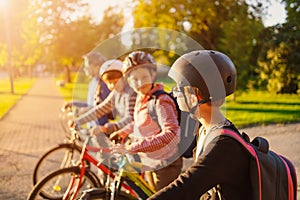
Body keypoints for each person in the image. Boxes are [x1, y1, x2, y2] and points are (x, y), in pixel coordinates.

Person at [148, 50, 252, 200]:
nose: (174, 92)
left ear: (195, 96)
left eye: (178, 87)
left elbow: (185, 188)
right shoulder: (205, 129)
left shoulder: (222, 145)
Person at [109, 51, 183, 191]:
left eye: (144, 77)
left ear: (153, 75)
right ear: (129, 82)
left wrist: (133, 148)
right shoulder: (141, 97)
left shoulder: (160, 101)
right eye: (134, 79)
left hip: (166, 165)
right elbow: (139, 122)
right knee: (149, 193)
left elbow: (172, 133)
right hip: (150, 162)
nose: (140, 82)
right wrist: (123, 132)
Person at [73, 59, 137, 136]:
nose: (113, 86)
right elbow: (100, 110)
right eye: (109, 83)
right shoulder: (115, 93)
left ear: (124, 77)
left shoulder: (131, 93)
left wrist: (112, 126)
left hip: (136, 135)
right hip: (125, 134)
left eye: (116, 81)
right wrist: (78, 121)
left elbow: (130, 118)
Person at [64, 52, 111, 127]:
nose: (85, 68)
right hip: (91, 126)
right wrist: (73, 103)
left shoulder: (103, 84)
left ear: (96, 66)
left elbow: (105, 107)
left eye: (87, 65)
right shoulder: (92, 81)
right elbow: (90, 103)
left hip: (100, 128)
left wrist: (85, 110)